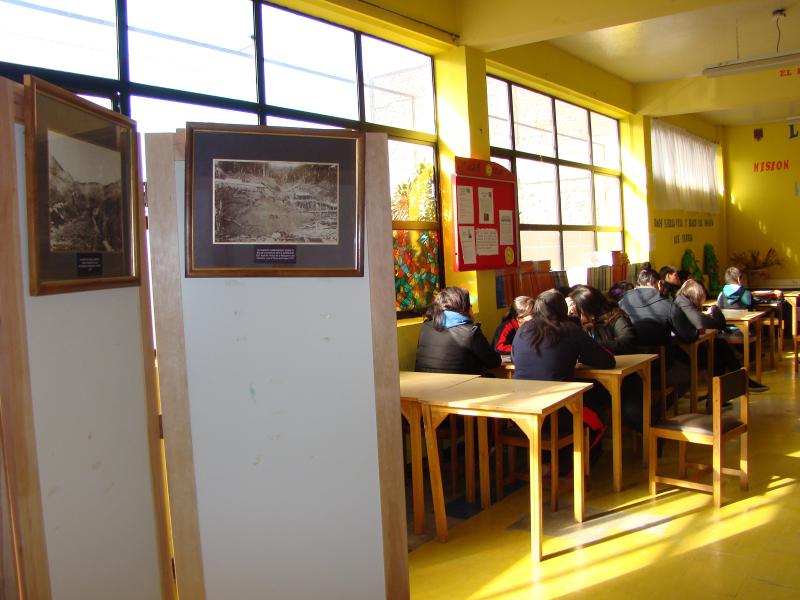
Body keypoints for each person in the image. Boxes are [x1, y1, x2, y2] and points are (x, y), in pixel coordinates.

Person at [512, 289, 615, 466]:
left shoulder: (523, 330)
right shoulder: (569, 329)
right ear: (562, 309)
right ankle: (570, 470)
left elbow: (516, 359)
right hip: (557, 409)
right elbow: (605, 361)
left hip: (521, 410)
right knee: (597, 420)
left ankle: (548, 464)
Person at [570, 285, 648, 432]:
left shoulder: (615, 316)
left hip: (625, 377)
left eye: (580, 311)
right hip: (592, 380)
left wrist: (594, 347)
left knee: (633, 414)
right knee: (575, 406)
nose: (578, 316)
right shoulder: (575, 323)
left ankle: (650, 443)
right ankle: (595, 441)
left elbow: (628, 341)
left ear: (590, 308)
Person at [673, 279, 768, 393]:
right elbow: (705, 322)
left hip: (687, 346)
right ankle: (732, 387)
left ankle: (719, 394)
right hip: (685, 351)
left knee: (720, 347)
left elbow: (700, 321)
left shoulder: (682, 301)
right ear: (697, 294)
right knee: (719, 351)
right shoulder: (684, 303)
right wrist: (716, 311)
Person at [617, 268, 692, 406]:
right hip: (660, 367)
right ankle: (659, 408)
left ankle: (650, 409)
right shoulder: (667, 305)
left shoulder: (621, 304)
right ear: (658, 284)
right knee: (688, 375)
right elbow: (687, 335)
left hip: (628, 369)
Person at [414, 287, 501, 375]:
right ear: (464, 308)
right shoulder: (471, 332)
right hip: (461, 386)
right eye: (470, 306)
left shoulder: (426, 327)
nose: (471, 309)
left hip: (425, 385)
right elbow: (493, 362)